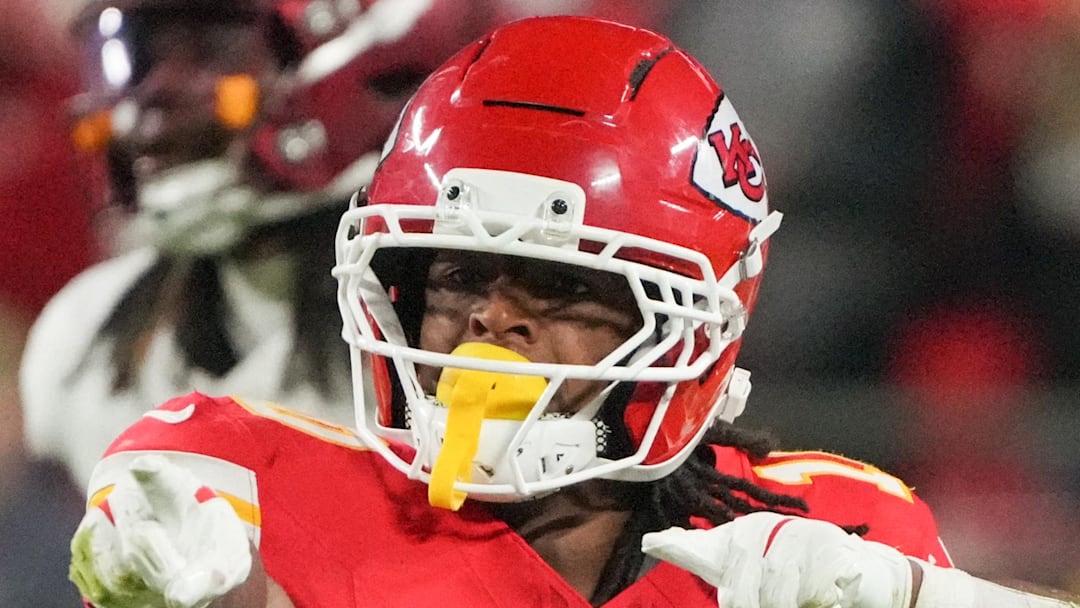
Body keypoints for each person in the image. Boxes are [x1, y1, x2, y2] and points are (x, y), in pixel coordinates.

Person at [66, 16, 1080, 608]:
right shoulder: (248, 488)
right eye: (454, 274)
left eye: (561, 283)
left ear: (694, 321)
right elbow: (177, 466)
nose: (490, 318)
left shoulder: (826, 542)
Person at [18, 0, 506, 489]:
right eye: (141, 53)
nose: (153, 95)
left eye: (212, 48)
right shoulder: (85, 337)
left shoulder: (460, 333)